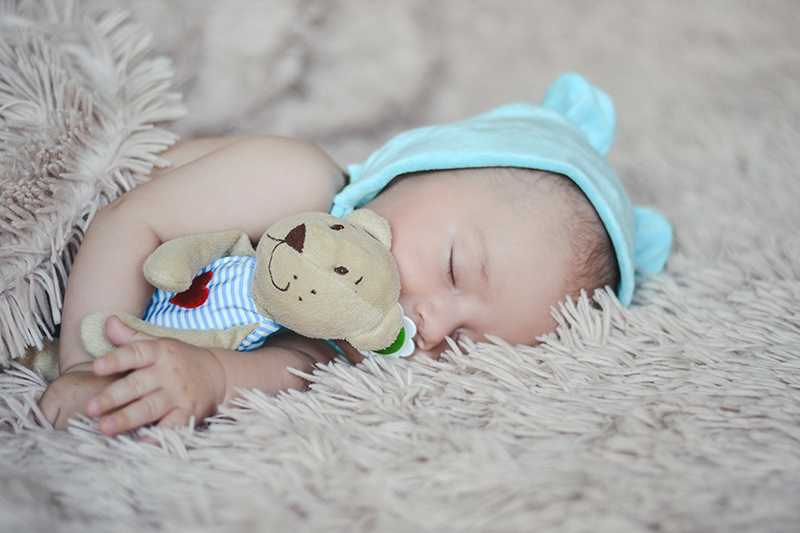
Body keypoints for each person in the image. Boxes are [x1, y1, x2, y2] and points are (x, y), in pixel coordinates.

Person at [38, 73, 672, 436]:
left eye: (464, 343)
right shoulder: (297, 183)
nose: (430, 326)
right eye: (453, 270)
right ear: (417, 166)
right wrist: (88, 369)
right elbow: (130, 222)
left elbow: (286, 370)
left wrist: (210, 378)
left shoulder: (340, 344)